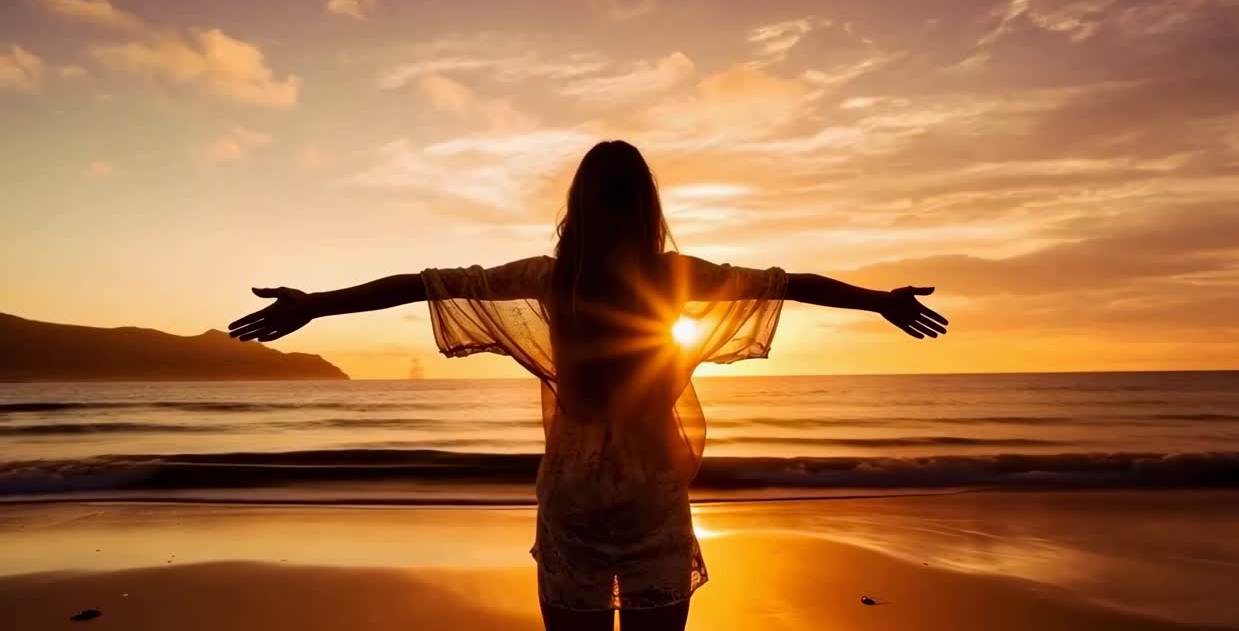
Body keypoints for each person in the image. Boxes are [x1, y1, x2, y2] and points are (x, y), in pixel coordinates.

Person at [228, 140, 947, 631]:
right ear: (645, 207)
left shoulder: (552, 280)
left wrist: (317, 303)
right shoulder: (673, 279)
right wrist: (879, 300)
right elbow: (790, 284)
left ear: (581, 203)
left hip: (574, 493)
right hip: (650, 494)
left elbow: (421, 284)